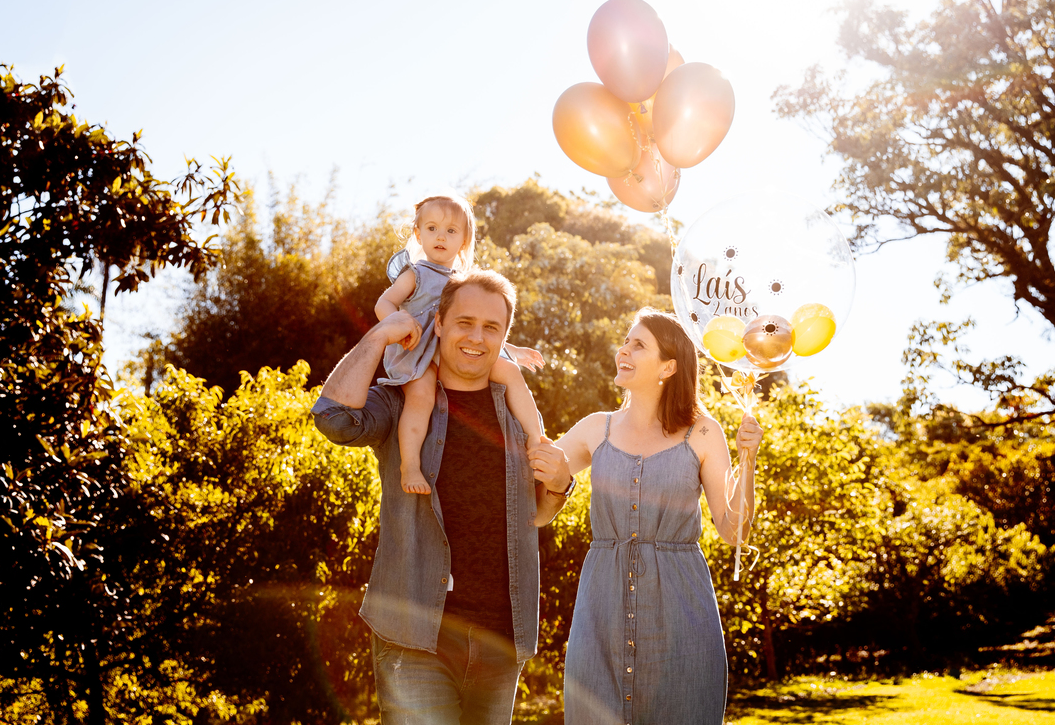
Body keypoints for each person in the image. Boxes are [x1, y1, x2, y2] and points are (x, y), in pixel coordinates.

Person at [313, 269, 574, 725]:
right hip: (415, 636)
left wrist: (559, 485)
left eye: (491, 327)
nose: (476, 337)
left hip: (500, 637)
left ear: (505, 336)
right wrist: (378, 337)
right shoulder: (400, 403)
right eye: (465, 322)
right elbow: (334, 418)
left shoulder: (515, 412)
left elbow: (538, 514)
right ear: (439, 323)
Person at [529, 308, 763, 725]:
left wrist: (749, 462)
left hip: (681, 613)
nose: (624, 350)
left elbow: (732, 530)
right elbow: (538, 501)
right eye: (626, 341)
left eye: (639, 345)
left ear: (668, 366)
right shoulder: (594, 429)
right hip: (601, 608)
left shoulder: (704, 433)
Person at [373, 194, 545, 494]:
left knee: (509, 373)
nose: (441, 236)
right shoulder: (415, 274)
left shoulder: (464, 282)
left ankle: (536, 438)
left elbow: (481, 325)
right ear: (418, 234)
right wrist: (400, 326)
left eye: (451, 231)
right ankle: (409, 463)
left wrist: (512, 350)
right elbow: (383, 303)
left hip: (454, 352)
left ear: (464, 240)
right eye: (432, 228)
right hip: (417, 351)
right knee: (421, 396)